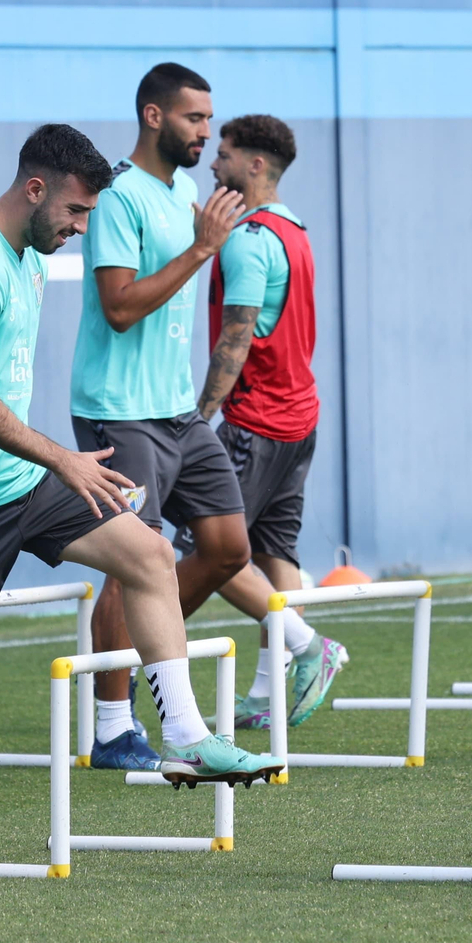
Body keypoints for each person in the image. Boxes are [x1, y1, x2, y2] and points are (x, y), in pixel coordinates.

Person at [0, 125, 280, 886]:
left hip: (21, 480)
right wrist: (64, 458)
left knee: (147, 554)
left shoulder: (31, 256)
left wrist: (55, 466)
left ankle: (185, 735)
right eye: (74, 212)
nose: (80, 229)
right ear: (35, 190)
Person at [72, 67, 347, 769]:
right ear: (153, 115)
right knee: (133, 562)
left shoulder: (188, 195)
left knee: (227, 549)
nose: (205, 132)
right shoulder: (119, 196)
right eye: (195, 119)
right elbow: (119, 307)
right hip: (121, 413)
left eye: (209, 121)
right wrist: (201, 250)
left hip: (179, 414)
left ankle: (152, 652)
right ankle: (113, 728)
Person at [192, 114, 339, 728]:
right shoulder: (294, 230)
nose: (213, 162)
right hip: (300, 418)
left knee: (212, 551)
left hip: (256, 421)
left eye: (224, 154)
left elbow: (236, 337)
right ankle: (265, 692)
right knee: (277, 552)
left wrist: (199, 419)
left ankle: (310, 647)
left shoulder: (249, 240)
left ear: (255, 164)